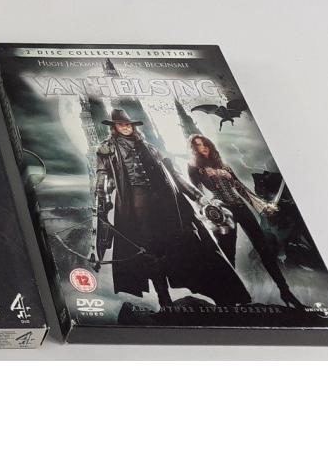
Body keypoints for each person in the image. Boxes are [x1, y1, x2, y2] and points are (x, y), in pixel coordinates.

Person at [93, 109, 248, 309]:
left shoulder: (150, 147)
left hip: (166, 202)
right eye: (121, 124)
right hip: (136, 204)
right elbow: (103, 178)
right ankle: (164, 301)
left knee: (187, 241)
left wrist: (198, 197)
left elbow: (174, 175)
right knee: (148, 250)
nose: (125, 127)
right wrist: (102, 203)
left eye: (128, 124)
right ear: (114, 127)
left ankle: (222, 293)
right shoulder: (107, 149)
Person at [187, 134, 304, 308]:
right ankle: (229, 297)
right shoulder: (194, 168)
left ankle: (285, 292)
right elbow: (197, 195)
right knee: (228, 254)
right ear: (193, 149)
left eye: (205, 144)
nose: (203, 147)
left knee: (264, 249)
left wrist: (261, 206)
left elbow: (241, 189)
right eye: (197, 145)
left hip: (241, 208)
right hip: (223, 213)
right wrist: (210, 209)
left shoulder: (223, 165)